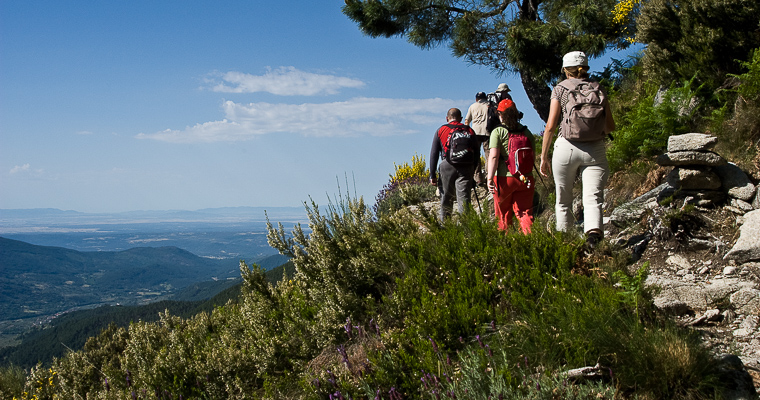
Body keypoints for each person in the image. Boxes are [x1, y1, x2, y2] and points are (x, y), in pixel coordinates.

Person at [538, 51, 616, 247]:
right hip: (595, 149)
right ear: (586, 67)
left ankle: (565, 244)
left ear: (565, 70)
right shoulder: (598, 88)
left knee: (563, 200)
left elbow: (550, 126)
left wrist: (544, 157)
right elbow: (610, 126)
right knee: (593, 198)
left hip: (566, 147)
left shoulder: (560, 89)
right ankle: (593, 239)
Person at [486, 99, 535, 233]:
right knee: (525, 213)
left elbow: (494, 157)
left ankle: (505, 245)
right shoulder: (526, 132)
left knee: (503, 215)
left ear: (500, 114)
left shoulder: (498, 132)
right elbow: (532, 156)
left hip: (504, 179)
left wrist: (489, 178)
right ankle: (530, 243)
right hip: (525, 178)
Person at [430, 108, 480, 222]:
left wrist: (432, 174)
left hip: (447, 165)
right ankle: (466, 229)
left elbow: (434, 153)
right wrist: (473, 171)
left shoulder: (441, 130)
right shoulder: (469, 130)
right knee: (464, 200)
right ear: (461, 119)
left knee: (446, 199)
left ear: (447, 118)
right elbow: (476, 153)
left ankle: (446, 229)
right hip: (466, 167)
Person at [465, 92, 491, 184]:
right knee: (489, 155)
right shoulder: (489, 105)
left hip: (475, 133)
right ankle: (489, 175)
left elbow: (467, 120)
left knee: (476, 155)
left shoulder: (472, 106)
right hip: (487, 132)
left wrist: (466, 132)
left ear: (476, 99)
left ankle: (478, 177)